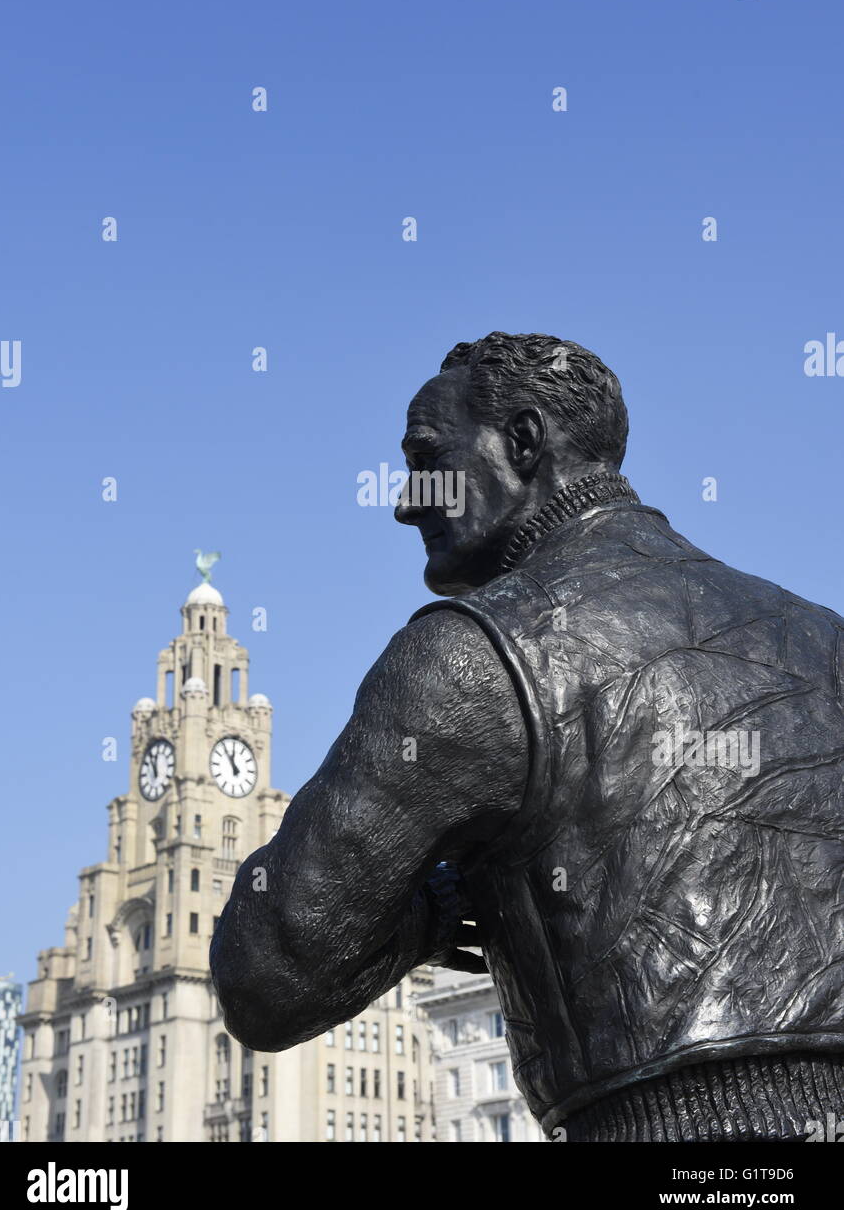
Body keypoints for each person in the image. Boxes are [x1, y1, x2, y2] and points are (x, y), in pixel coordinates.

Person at [211, 331, 844, 1141]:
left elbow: (268, 974)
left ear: (522, 443)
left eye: (426, 459)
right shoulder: (824, 640)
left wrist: (435, 908)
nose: (406, 501)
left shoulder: (476, 651)